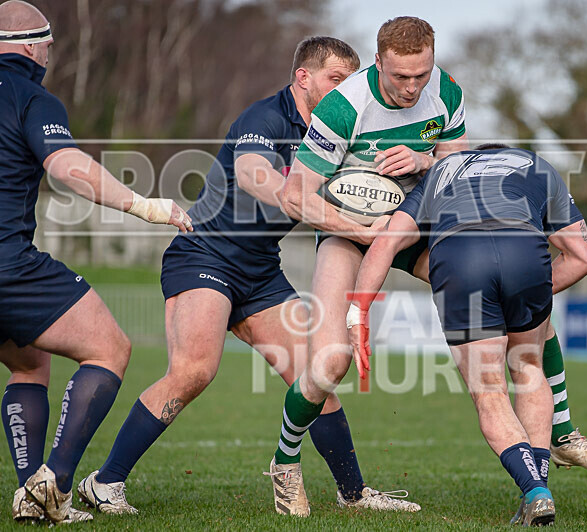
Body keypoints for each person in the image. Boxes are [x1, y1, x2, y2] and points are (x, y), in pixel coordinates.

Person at [76, 36, 419, 518]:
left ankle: (354, 493)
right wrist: (327, 212)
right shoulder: (267, 117)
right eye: (335, 80)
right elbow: (255, 174)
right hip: (205, 256)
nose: (346, 91)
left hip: (260, 270)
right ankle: (104, 482)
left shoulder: (341, 133)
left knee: (314, 376)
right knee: (195, 370)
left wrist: (417, 167)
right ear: (303, 77)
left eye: (350, 82)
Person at [0, 1, 191, 525]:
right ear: (35, 47)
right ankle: (57, 478)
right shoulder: (31, 95)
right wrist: (146, 206)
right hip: (8, 266)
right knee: (109, 349)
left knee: (28, 362)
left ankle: (33, 498)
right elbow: (66, 167)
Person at [269, 16, 469, 514]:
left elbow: (454, 160)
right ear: (378, 61)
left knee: (487, 280)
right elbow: (296, 196)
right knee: (330, 361)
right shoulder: (342, 108)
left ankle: (561, 430)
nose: (411, 87)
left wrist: (425, 163)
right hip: (348, 233)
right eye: (401, 76)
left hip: (411, 226)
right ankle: (285, 463)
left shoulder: (445, 90)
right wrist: (363, 232)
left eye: (420, 75)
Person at [347, 144, 587, 525]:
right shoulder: (537, 165)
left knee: (490, 392)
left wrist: (358, 312)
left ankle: (535, 490)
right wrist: (530, 296)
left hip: (461, 258)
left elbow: (387, 243)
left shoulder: (441, 172)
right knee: (529, 368)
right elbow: (582, 257)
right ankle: (537, 485)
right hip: (526, 256)